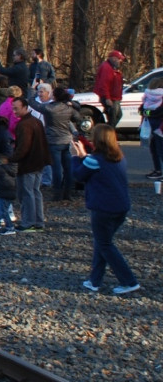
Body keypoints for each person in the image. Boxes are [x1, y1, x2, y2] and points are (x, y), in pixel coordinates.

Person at [72, 125, 140, 294]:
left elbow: (78, 176)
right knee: (102, 243)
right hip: (121, 206)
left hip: (103, 208)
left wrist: (76, 157)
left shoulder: (94, 160)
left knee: (105, 244)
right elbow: (93, 166)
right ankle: (95, 280)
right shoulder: (118, 156)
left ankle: (129, 281)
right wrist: (83, 156)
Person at [31, 86, 83, 200]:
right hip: (66, 139)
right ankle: (68, 192)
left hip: (53, 140)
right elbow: (78, 117)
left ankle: (57, 193)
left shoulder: (49, 108)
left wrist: (34, 91)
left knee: (57, 168)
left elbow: (33, 103)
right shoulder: (68, 108)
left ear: (54, 96)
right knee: (68, 167)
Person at [8, 96, 50, 231]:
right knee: (35, 192)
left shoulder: (24, 125)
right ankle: (38, 221)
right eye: (13, 108)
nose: (14, 111)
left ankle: (28, 222)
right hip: (39, 162)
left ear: (25, 108)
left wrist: (12, 159)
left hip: (28, 163)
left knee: (27, 194)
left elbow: (23, 147)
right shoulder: (36, 121)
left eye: (17, 108)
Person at [94, 50, 125, 127]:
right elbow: (104, 84)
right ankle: (107, 134)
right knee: (113, 119)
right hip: (111, 98)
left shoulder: (112, 67)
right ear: (114, 58)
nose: (120, 61)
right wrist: (107, 98)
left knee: (117, 116)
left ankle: (106, 132)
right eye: (119, 59)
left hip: (114, 98)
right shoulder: (106, 68)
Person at [142, 77, 163, 180]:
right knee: (160, 149)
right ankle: (160, 171)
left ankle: (158, 170)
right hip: (160, 127)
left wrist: (147, 113)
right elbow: (158, 112)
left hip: (150, 126)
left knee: (154, 149)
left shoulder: (147, 96)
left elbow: (142, 110)